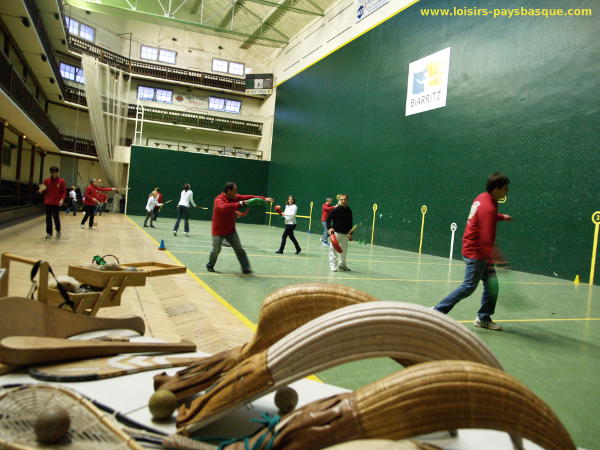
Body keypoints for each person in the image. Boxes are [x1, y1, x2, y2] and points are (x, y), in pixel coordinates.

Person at [433, 173, 512, 331]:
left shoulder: (483, 198)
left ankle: (483, 318)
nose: (507, 192)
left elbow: (484, 217)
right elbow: (486, 239)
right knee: (468, 286)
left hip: (478, 250)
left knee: (492, 285)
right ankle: (436, 312)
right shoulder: (489, 207)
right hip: (477, 253)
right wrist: (500, 259)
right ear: (496, 189)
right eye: (505, 189)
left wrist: (501, 217)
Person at [206, 182, 273, 274]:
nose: (237, 192)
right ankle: (210, 265)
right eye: (235, 190)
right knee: (216, 250)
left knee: (239, 249)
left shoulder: (235, 197)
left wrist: (264, 199)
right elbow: (222, 208)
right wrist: (239, 204)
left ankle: (246, 268)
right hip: (218, 230)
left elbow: (249, 197)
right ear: (229, 191)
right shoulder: (219, 199)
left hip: (230, 230)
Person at [327, 194, 353, 272]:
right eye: (341, 199)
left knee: (344, 251)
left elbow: (350, 223)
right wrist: (329, 228)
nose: (343, 201)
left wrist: (350, 233)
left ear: (347, 200)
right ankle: (332, 265)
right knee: (333, 250)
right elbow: (328, 219)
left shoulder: (349, 210)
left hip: (345, 234)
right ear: (339, 200)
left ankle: (342, 265)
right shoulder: (336, 209)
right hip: (336, 234)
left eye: (344, 199)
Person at [40, 166, 66, 239]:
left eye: (55, 172)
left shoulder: (61, 181)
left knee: (56, 218)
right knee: (48, 219)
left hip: (56, 203)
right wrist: (41, 190)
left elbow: (64, 192)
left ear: (57, 172)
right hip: (48, 203)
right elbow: (44, 190)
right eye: (52, 172)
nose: (53, 174)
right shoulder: (46, 180)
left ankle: (58, 231)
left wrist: (62, 199)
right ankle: (49, 233)